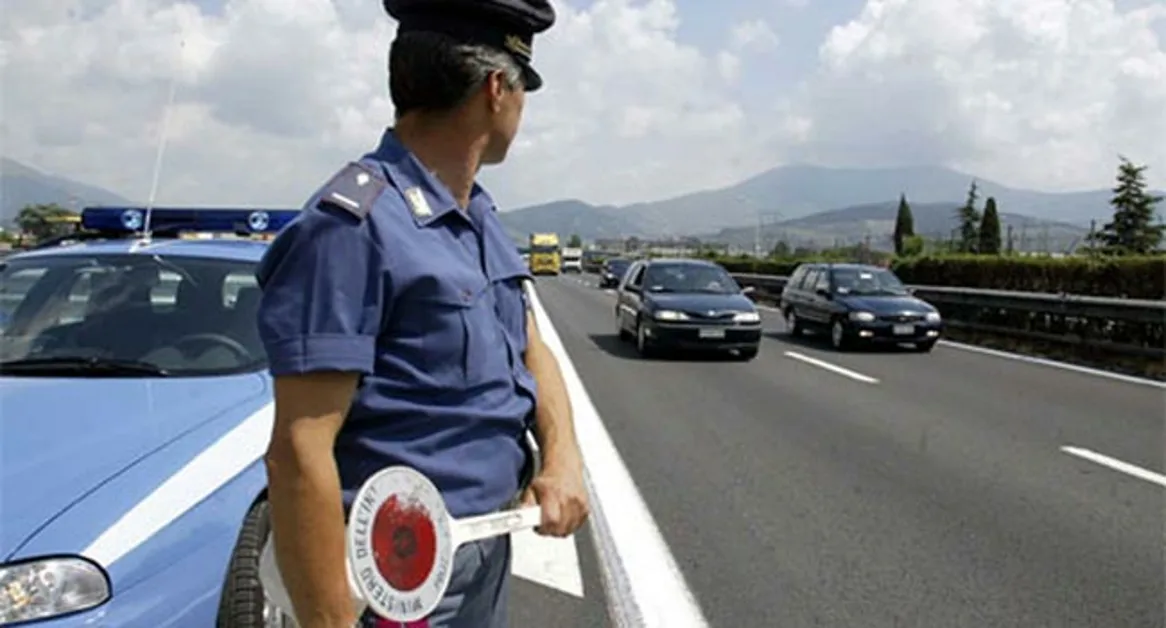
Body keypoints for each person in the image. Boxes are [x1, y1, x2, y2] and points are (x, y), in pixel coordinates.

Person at [254, 0, 590, 625]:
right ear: (496, 90)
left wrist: (562, 455)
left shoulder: (477, 216)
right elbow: (299, 451)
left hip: (479, 551)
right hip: (395, 578)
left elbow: (529, 344)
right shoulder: (351, 227)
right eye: (524, 89)